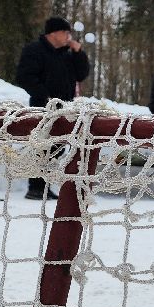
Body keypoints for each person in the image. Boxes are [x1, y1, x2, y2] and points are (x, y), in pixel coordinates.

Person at [15, 16, 90, 199]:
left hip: (65, 108)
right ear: (53, 33)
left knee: (57, 147)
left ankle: (44, 186)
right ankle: (35, 187)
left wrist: (78, 53)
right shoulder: (34, 50)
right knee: (41, 146)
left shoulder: (66, 54)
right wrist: (45, 96)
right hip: (42, 106)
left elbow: (81, 74)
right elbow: (25, 77)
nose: (68, 36)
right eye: (65, 32)